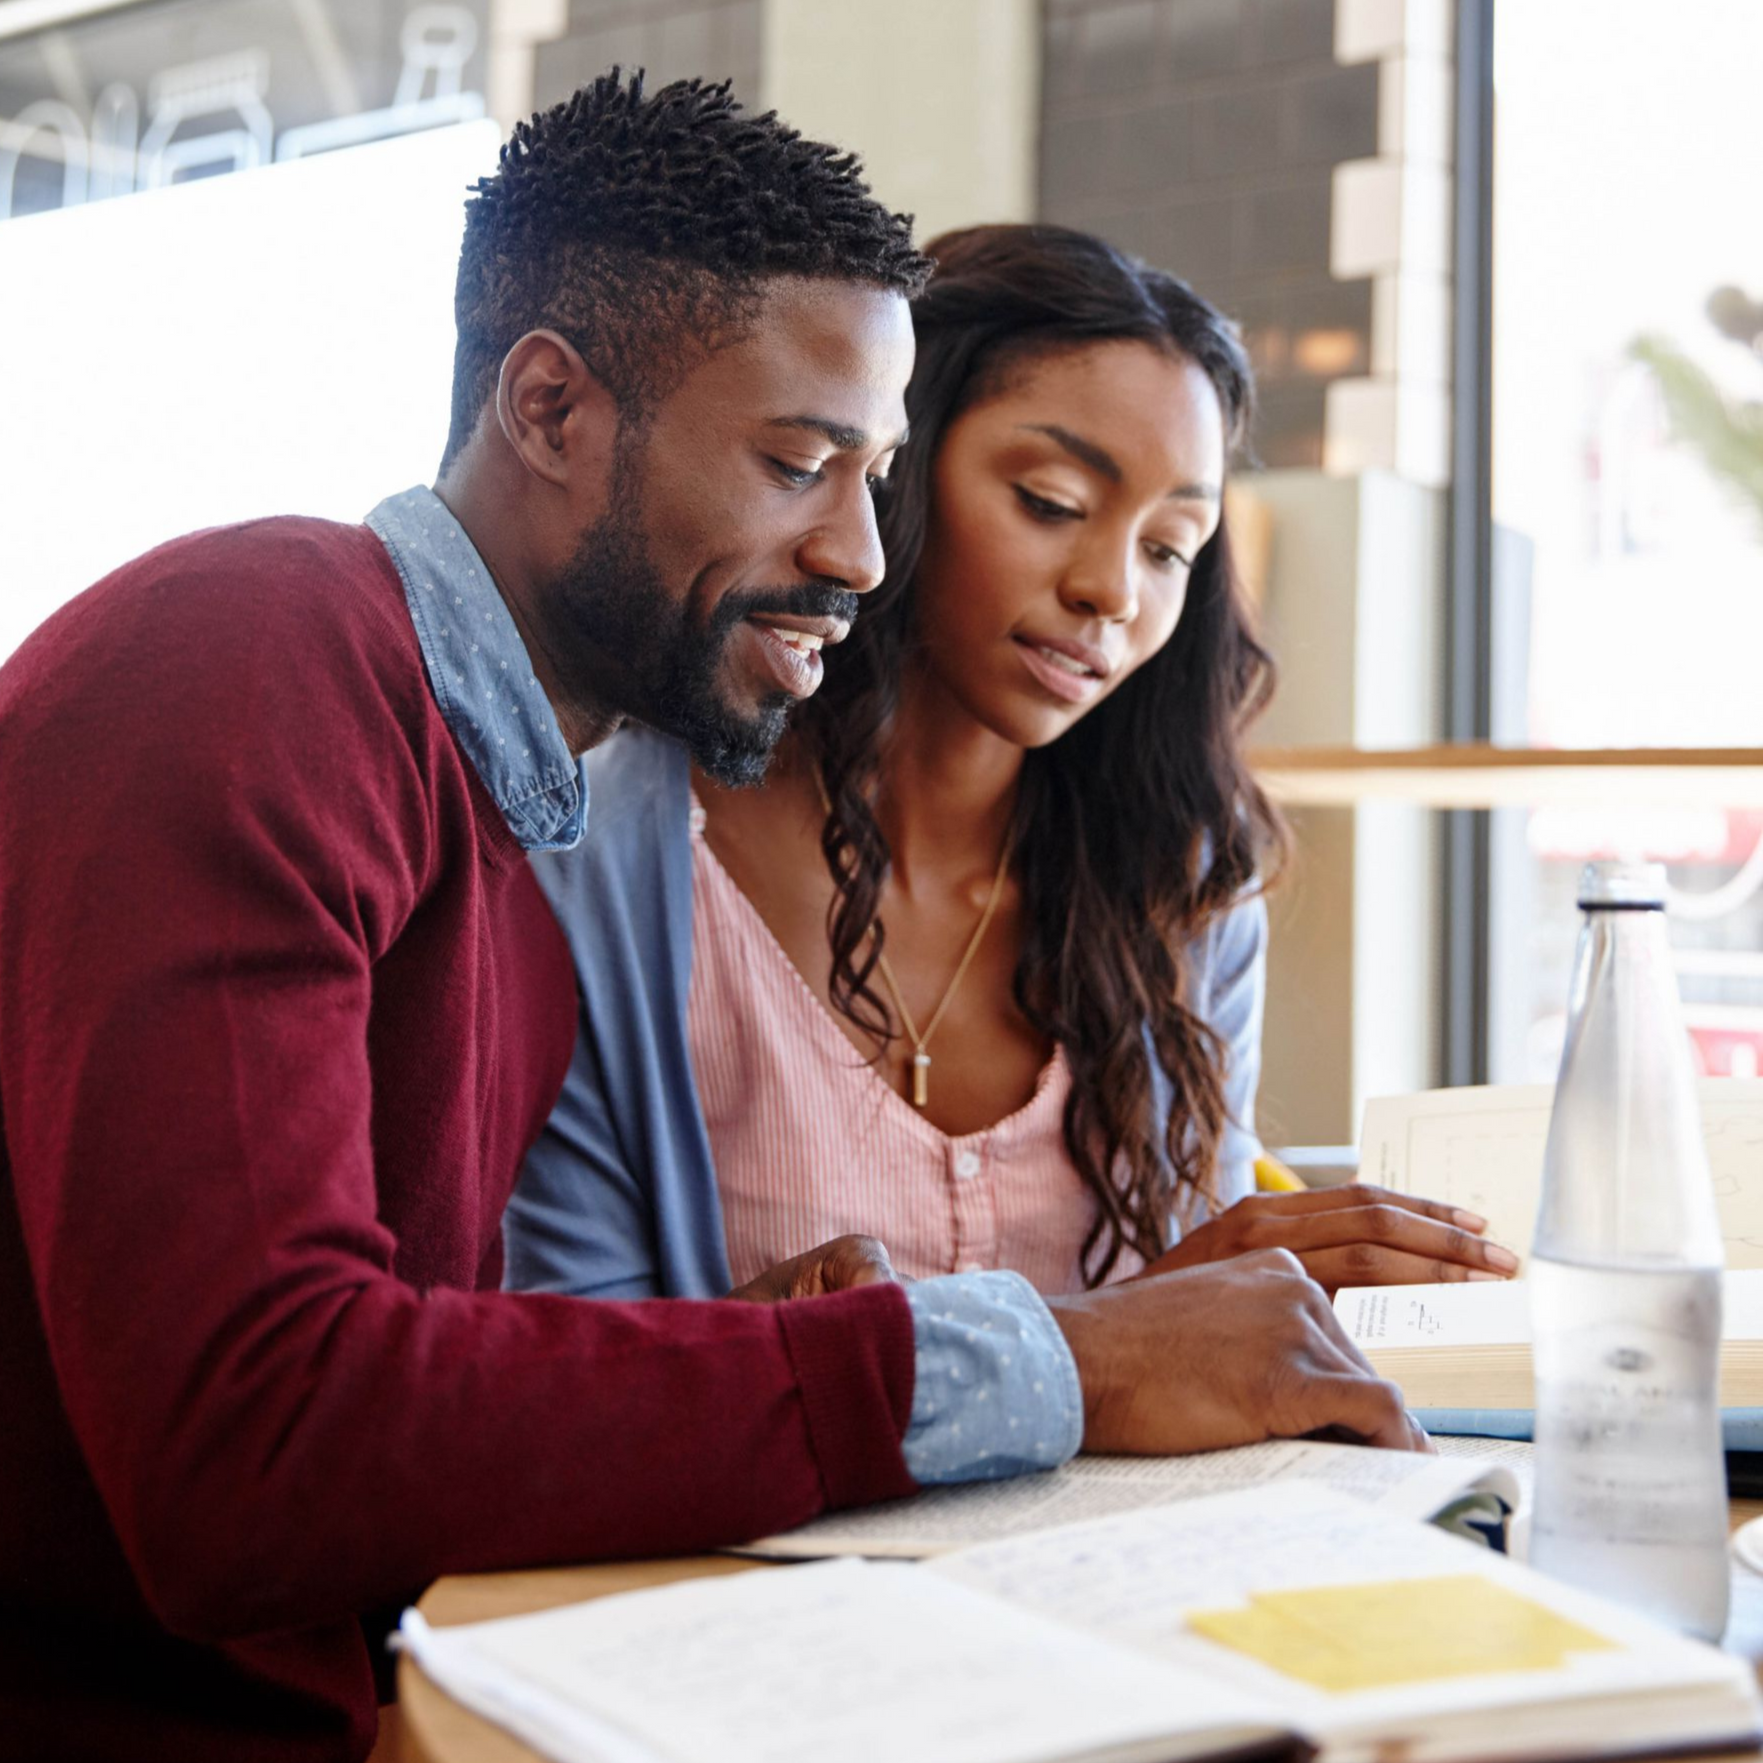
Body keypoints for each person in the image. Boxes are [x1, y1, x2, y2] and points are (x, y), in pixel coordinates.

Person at [0, 74, 1421, 1763]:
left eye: (870, 474)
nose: (858, 553)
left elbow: (432, 1373)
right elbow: (252, 1445)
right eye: (798, 462)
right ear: (548, 405)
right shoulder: (247, 665)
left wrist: (756, 1342)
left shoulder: (500, 825)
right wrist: (1037, 1357)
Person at [507, 224, 1520, 1301]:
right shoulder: (601, 863)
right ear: (890, 470)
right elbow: (578, 1378)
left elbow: (1218, 1351)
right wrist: (1132, 1337)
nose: (1112, 591)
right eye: (1051, 502)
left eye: (1168, 547)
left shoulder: (1182, 890)